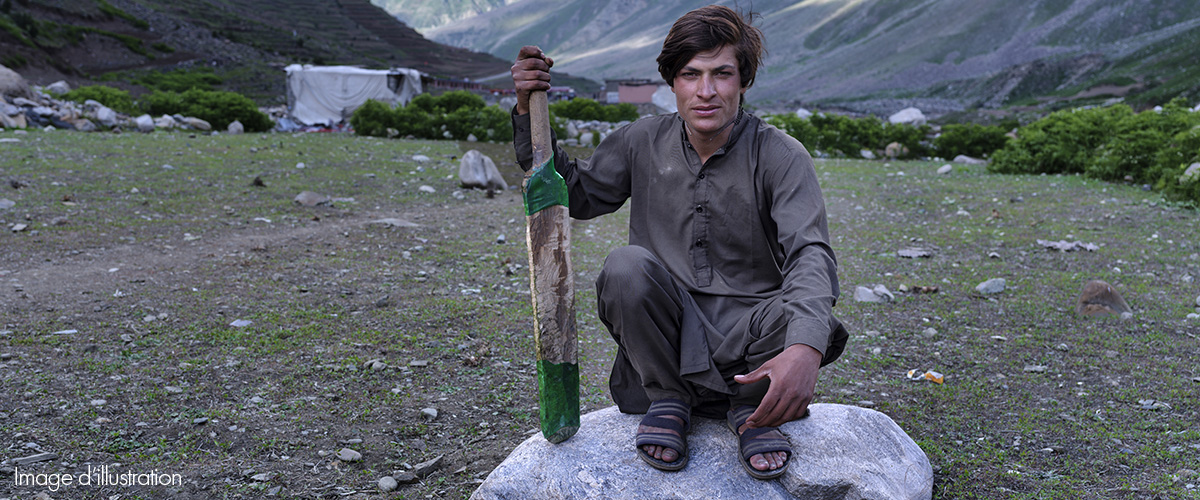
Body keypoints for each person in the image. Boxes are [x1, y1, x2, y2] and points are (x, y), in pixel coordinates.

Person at [510, 5, 847, 480]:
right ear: (672, 81)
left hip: (751, 337)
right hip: (666, 338)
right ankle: (669, 396)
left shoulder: (781, 155)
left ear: (743, 81)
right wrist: (527, 108)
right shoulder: (640, 140)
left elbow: (809, 253)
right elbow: (577, 195)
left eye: (721, 74)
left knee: (807, 309)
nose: (706, 91)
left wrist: (807, 349)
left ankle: (749, 404)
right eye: (691, 74)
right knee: (625, 267)